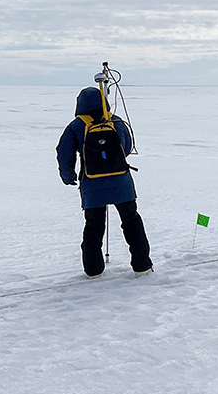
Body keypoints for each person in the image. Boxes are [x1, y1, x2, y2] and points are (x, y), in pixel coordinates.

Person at [56, 86, 153, 277]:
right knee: (132, 222)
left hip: (92, 186)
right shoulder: (116, 121)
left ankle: (93, 271)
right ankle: (142, 267)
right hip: (121, 183)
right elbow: (125, 148)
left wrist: (68, 176)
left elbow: (64, 153)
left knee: (94, 227)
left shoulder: (76, 126)